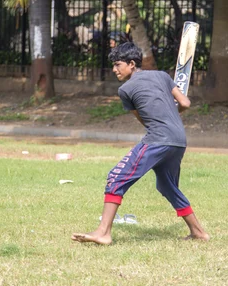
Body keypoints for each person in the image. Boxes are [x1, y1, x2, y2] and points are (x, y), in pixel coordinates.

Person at [72, 42, 209, 245]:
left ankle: (103, 232)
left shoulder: (125, 89)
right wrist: (170, 112)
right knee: (167, 186)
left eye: (118, 64)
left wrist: (161, 116)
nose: (114, 69)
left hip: (158, 139)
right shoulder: (162, 75)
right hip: (179, 140)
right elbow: (185, 103)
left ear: (132, 64)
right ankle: (199, 232)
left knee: (116, 176)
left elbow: (145, 121)